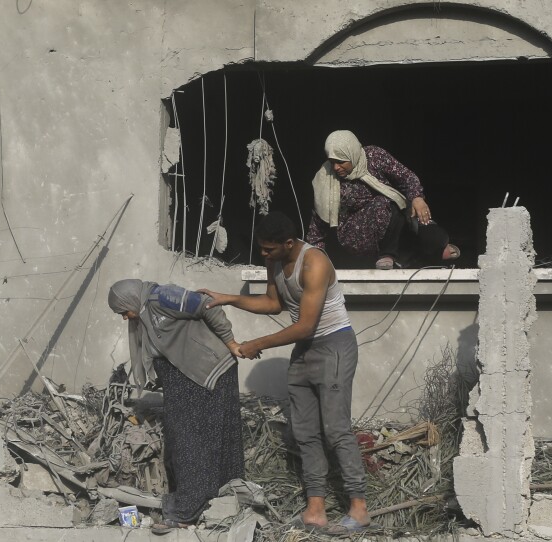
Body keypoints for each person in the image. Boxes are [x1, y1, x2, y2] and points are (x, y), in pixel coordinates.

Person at [200, 211, 371, 535]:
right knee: (305, 431)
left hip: (333, 346)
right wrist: (230, 299)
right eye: (262, 249)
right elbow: (273, 302)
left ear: (288, 243)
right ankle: (316, 510)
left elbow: (305, 325)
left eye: (268, 250)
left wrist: (256, 343)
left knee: (335, 429)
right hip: (305, 350)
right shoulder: (275, 261)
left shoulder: (314, 263)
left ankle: (359, 509)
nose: (263, 255)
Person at [108, 279, 245, 533]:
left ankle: (188, 511)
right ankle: (217, 499)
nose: (125, 318)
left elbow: (207, 304)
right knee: (189, 439)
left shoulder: (162, 298)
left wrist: (231, 342)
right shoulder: (147, 312)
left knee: (192, 442)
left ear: (130, 300)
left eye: (123, 311)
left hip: (206, 373)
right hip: (186, 382)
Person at [307, 129, 459, 270]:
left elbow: (406, 177)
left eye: (341, 161)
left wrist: (417, 197)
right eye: (332, 161)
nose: (336, 167)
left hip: (395, 217)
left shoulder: (374, 156)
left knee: (433, 237)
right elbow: (319, 220)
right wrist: (315, 256)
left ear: (352, 153)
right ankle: (387, 254)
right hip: (356, 235)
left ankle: (429, 252)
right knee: (384, 203)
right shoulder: (326, 177)